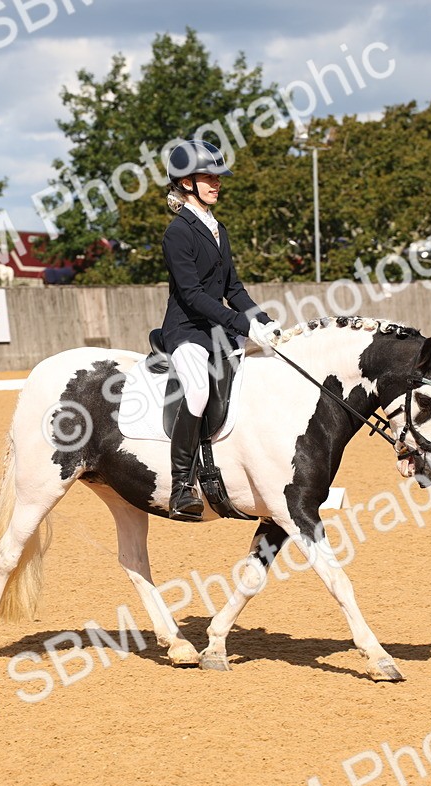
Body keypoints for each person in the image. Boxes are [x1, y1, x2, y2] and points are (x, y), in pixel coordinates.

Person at [161, 139, 280, 522]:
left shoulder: (218, 228)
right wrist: (242, 324)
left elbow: (233, 288)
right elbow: (193, 295)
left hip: (218, 330)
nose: (217, 183)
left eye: (217, 176)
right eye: (208, 176)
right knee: (196, 391)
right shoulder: (178, 233)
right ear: (185, 182)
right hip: (186, 331)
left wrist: (261, 320)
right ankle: (182, 486)